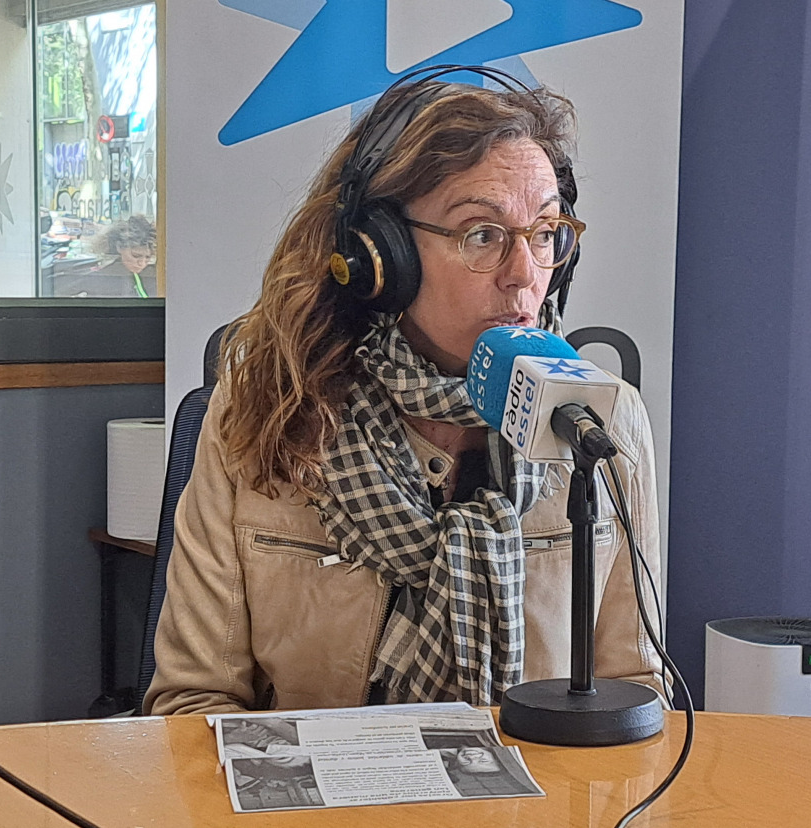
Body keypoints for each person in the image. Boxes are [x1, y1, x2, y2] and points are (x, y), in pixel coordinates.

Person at [144, 70, 664, 715]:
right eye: (482, 234)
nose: (524, 274)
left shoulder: (600, 422)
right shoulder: (264, 407)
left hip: (531, 783)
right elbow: (194, 701)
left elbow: (634, 692)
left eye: (544, 232)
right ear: (381, 256)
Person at [53, 214, 158, 297]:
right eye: (135, 255)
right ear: (119, 247)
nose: (142, 263)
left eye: (148, 257)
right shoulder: (103, 277)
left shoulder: (149, 274)